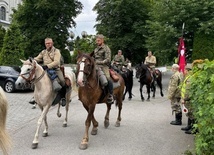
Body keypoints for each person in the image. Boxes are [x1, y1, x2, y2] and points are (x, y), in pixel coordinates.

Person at [33, 38, 66, 106]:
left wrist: (47, 66)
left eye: (49, 43)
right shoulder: (43, 52)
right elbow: (38, 58)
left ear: (52, 43)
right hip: (46, 70)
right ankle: (35, 97)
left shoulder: (56, 51)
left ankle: (63, 97)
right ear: (45, 44)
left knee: (62, 81)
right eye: (47, 43)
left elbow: (56, 62)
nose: (48, 44)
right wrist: (31, 60)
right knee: (36, 80)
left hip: (55, 69)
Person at [93, 34, 114, 104]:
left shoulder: (106, 48)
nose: (97, 42)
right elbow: (93, 57)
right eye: (96, 41)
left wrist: (99, 62)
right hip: (95, 66)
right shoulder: (95, 49)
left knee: (108, 79)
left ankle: (111, 95)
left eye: (98, 40)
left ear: (102, 40)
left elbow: (108, 59)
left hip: (104, 66)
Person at [180, 63, 195, 134]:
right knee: (189, 113)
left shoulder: (190, 79)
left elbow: (188, 91)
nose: (184, 71)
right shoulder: (187, 77)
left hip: (188, 100)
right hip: (187, 100)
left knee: (192, 114)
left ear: (188, 70)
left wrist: (184, 99)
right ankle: (189, 126)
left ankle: (194, 129)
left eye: (185, 70)